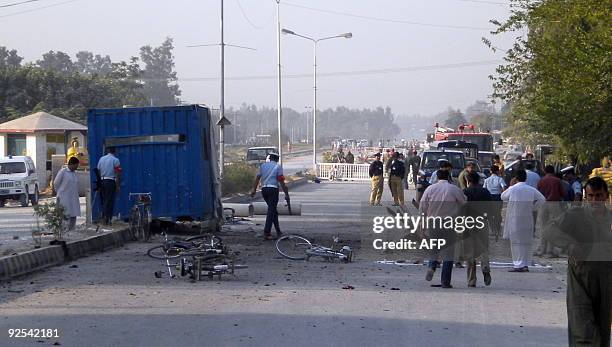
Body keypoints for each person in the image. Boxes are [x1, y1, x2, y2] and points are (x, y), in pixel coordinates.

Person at [543, 177, 611, 346]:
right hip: (580, 280)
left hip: (606, 280)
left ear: (606, 196)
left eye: (598, 196)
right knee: (582, 331)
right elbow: (549, 230)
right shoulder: (575, 215)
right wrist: (569, 244)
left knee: (602, 334)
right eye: (591, 196)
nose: (594, 200)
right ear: (585, 197)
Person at [420, 169, 466, 288]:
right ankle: (445, 281)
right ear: (449, 177)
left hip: (433, 222)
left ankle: (432, 266)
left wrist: (423, 223)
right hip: (449, 223)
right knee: (448, 252)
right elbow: (464, 202)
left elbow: (422, 206)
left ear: (437, 177)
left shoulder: (430, 189)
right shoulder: (454, 189)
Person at [501, 169, 546, 272]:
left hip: (515, 219)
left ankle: (518, 265)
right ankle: (525, 263)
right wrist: (533, 208)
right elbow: (542, 199)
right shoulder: (531, 189)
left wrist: (510, 185)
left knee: (516, 243)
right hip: (527, 218)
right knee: (526, 242)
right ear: (526, 178)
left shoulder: (513, 189)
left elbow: (502, 196)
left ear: (515, 178)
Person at [463, 171, 492, 287]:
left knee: (469, 252)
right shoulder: (485, 192)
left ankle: (471, 280)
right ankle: (485, 268)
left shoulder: (464, 192)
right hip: (482, 223)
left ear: (468, 181)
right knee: (483, 248)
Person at [250, 153, 289, 240]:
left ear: (269, 158)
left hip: (264, 190)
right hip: (273, 190)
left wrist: (254, 189)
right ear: (277, 160)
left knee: (273, 210)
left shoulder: (263, 166)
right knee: (271, 211)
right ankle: (267, 232)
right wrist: (286, 193)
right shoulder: (278, 167)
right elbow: (281, 181)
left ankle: (278, 231)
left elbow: (257, 178)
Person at [535, 165, 565, 258]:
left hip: (543, 204)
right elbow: (562, 193)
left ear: (545, 171)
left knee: (543, 227)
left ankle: (542, 249)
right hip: (554, 204)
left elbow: (538, 193)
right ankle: (550, 250)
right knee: (554, 226)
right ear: (553, 171)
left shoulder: (541, 180)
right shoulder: (557, 181)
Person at [53, 157, 81, 231]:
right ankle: (63, 230)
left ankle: (71, 230)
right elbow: (56, 183)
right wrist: (59, 192)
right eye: (76, 165)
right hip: (64, 198)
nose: (77, 167)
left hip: (73, 198)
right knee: (65, 214)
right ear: (72, 164)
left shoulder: (74, 173)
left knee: (73, 214)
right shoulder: (63, 171)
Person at [97, 147, 121, 226]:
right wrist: (117, 186)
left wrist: (99, 182)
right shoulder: (115, 160)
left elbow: (98, 171)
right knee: (109, 200)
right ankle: (107, 218)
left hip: (102, 181)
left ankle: (104, 217)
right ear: (114, 152)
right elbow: (117, 173)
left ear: (107, 151)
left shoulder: (101, 159)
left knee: (104, 200)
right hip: (110, 181)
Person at [483, 165, 506, 236]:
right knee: (497, 213)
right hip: (498, 198)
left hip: (489, 197)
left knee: (489, 214)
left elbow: (484, 189)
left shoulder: (486, 180)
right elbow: (504, 187)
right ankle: (498, 229)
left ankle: (493, 230)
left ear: (490, 171)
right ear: (497, 171)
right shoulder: (500, 179)